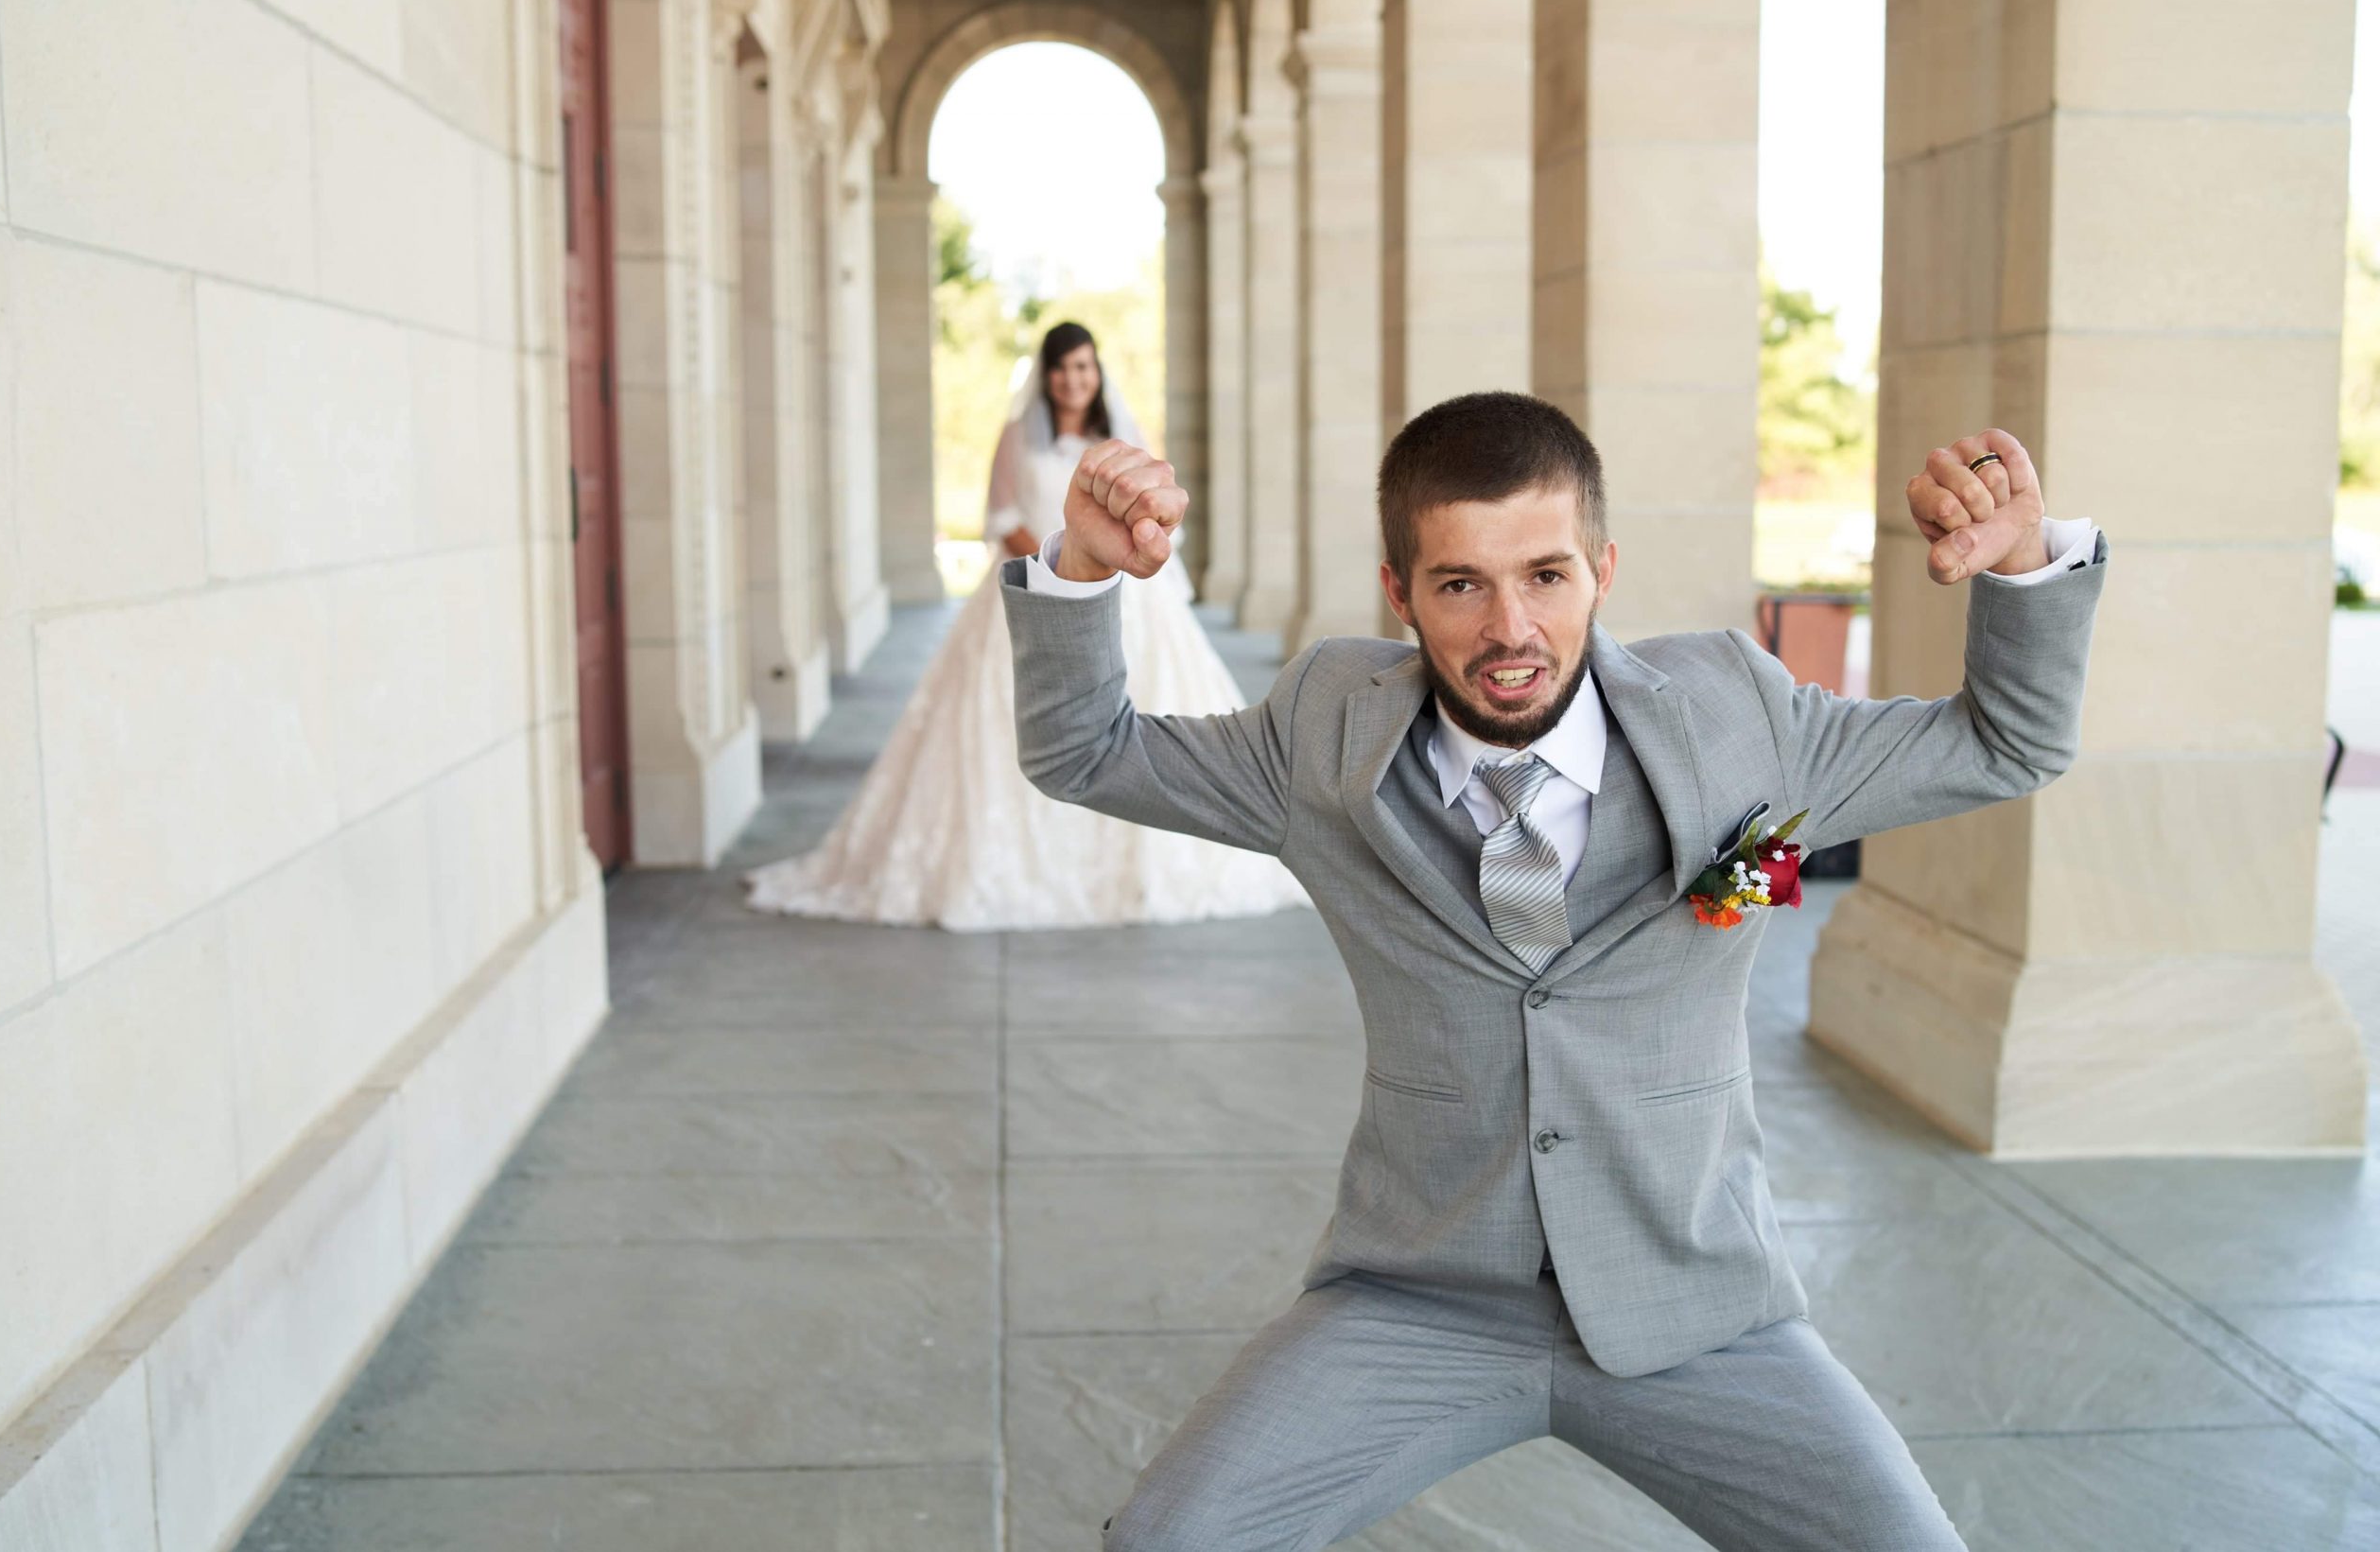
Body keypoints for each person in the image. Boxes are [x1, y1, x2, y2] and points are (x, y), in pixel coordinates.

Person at [1001, 392, 2108, 1551]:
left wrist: (2022, 562)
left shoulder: (1738, 714)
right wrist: (1082, 569)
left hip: (1699, 1304)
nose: (1508, 628)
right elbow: (1086, 749)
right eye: (1459, 583)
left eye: (1545, 575)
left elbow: (2008, 739)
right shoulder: (1325, 731)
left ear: (1603, 567)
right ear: (1399, 592)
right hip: (1414, 1298)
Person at [744, 321, 1307, 930]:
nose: (1074, 379)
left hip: (1126, 592)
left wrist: (1110, 557)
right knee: (1018, 719)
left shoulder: (1122, 434)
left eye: (1084, 367)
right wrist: (1063, 566)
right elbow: (1002, 515)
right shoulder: (1018, 435)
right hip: (1041, 578)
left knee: (1139, 713)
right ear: (1046, 374)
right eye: (1063, 368)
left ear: (1098, 373)